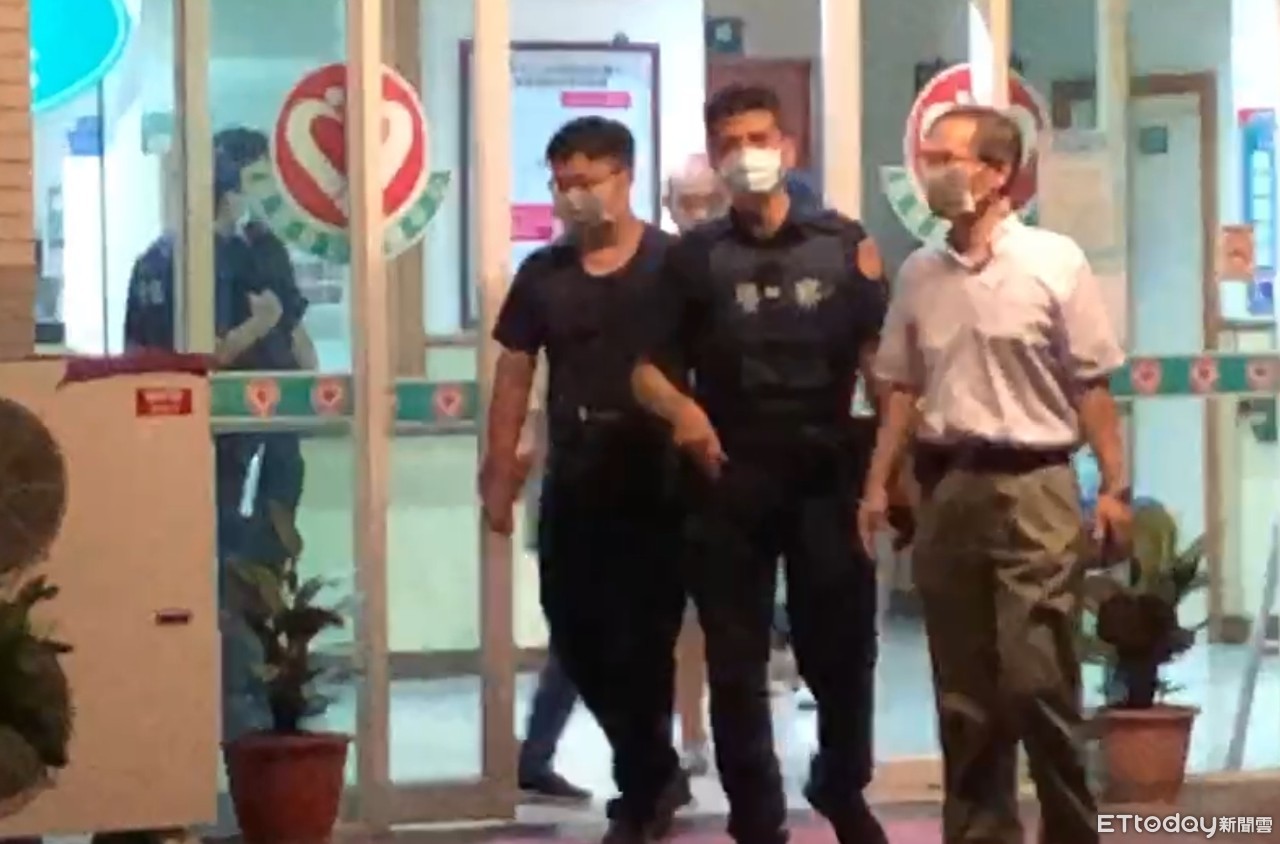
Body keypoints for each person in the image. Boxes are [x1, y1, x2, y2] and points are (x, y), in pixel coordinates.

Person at [858, 104, 1131, 844]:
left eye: (950, 158)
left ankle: (1071, 829)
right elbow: (901, 388)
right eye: (929, 158)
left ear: (999, 171)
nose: (934, 172)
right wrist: (879, 482)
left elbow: (1091, 384)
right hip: (949, 487)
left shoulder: (1053, 261)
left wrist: (1114, 486)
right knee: (965, 696)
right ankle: (981, 833)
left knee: (1037, 678)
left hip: (1036, 484)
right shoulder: (920, 272)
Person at [631, 84, 889, 844]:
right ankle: (756, 815)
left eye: (760, 138)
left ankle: (841, 783)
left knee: (841, 650)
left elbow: (881, 365)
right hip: (728, 475)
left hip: (826, 471)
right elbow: (645, 371)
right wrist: (683, 412)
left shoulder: (842, 244)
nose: (748, 155)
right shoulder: (694, 258)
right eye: (731, 143)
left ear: (789, 147)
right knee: (736, 662)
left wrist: (891, 470)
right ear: (715, 158)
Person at [479, 116, 690, 844]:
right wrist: (500, 467)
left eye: (587, 181)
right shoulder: (544, 274)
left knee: (646, 644)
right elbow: (514, 373)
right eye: (561, 183)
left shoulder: (674, 266)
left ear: (625, 178)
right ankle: (654, 767)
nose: (572, 196)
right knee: (574, 630)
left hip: (658, 483)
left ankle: (641, 796)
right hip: (575, 479)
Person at [124, 127, 315, 741]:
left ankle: (256, 696)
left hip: (257, 438)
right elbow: (189, 358)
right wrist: (259, 327)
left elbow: (295, 333)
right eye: (252, 182)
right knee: (232, 567)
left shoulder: (242, 250)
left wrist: (316, 398)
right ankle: (240, 704)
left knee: (255, 565)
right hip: (226, 440)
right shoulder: (193, 260)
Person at [662, 155, 728, 777]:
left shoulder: (741, 269)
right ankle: (682, 735)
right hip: (655, 466)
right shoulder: (655, 271)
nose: (700, 213)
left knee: (716, 615)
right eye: (688, 202)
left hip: (732, 466)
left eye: (711, 200)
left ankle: (703, 733)